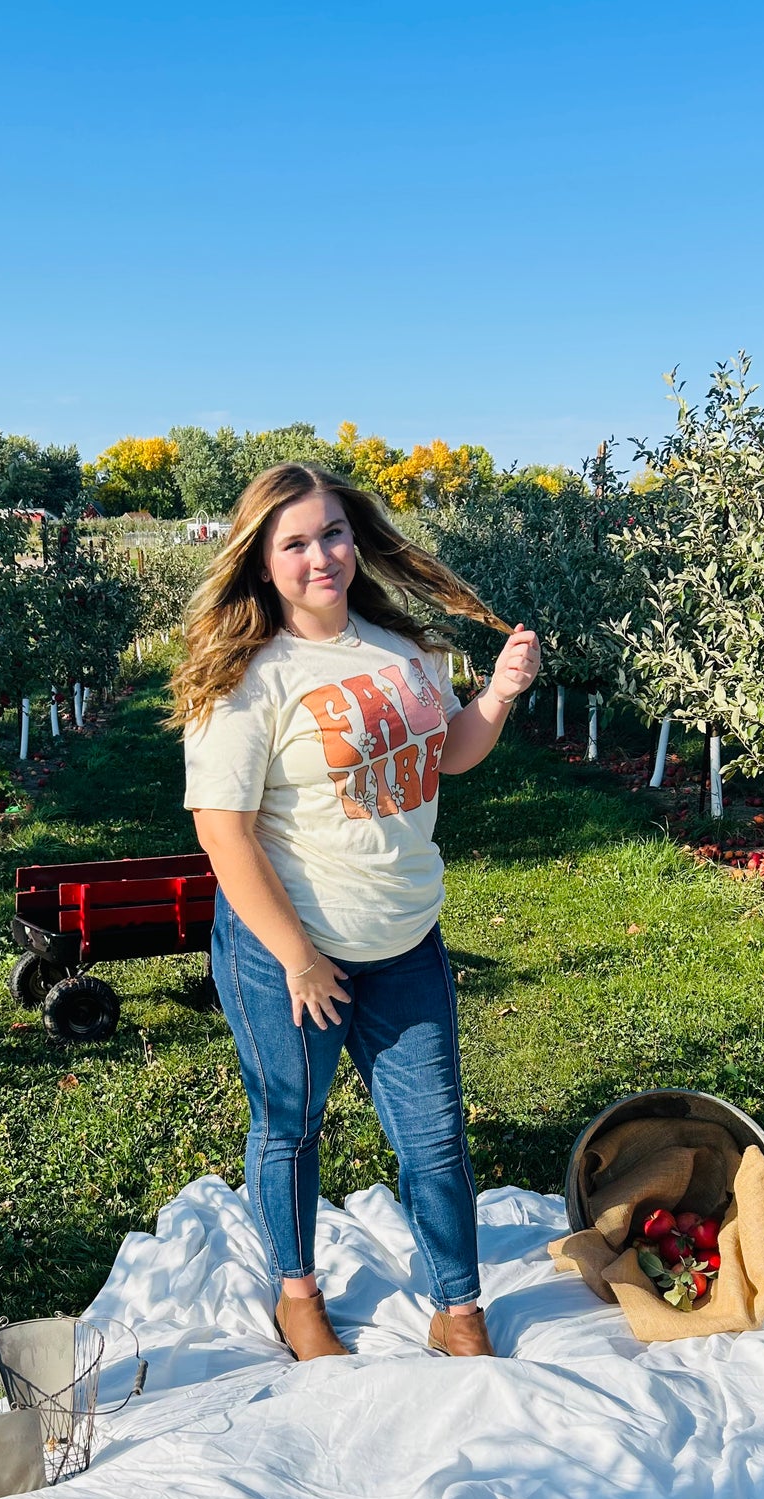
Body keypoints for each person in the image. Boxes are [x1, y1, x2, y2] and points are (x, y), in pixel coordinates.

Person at [175, 463, 539, 1361]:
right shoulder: (247, 679)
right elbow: (223, 834)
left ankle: (459, 1309)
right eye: (293, 542)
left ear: (355, 537)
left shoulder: (400, 648)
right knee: (291, 1126)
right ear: (261, 560)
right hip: (289, 950)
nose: (319, 556)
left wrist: (494, 696)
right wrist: (297, 956)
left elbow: (445, 753)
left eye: (331, 533)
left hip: (405, 937)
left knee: (435, 1135)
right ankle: (297, 1296)